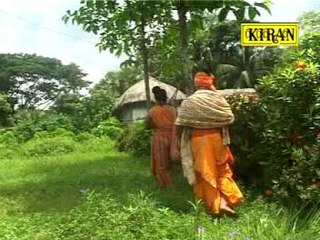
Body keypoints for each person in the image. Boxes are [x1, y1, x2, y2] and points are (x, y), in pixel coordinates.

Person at [175, 68, 244, 215]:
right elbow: (229, 117)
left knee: (205, 173)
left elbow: (180, 124)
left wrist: (177, 144)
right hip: (218, 139)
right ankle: (227, 200)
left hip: (199, 140)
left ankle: (216, 205)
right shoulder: (218, 98)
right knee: (221, 170)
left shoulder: (190, 101)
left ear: (196, 83)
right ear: (210, 82)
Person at [147, 86, 179, 188]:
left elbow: (148, 125)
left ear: (155, 98)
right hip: (173, 136)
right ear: (166, 97)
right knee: (171, 161)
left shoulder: (152, 111)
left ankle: (165, 184)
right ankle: (171, 182)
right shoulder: (173, 110)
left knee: (161, 162)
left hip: (160, 137)